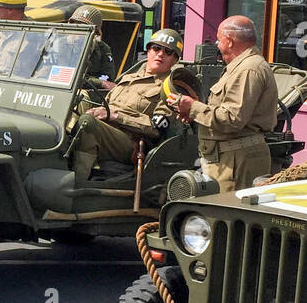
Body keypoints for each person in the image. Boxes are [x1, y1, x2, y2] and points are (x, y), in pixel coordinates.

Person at [166, 15, 279, 193]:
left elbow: (232, 119)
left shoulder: (248, 69)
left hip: (236, 162)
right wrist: (192, 111)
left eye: (219, 40)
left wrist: (193, 107)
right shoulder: (240, 67)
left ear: (230, 41)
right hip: (228, 158)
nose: (217, 45)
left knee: (228, 216)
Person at [71, 28, 182, 181]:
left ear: (175, 60)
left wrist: (115, 116)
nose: (160, 54)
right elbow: (108, 103)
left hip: (130, 141)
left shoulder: (168, 88)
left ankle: (78, 183)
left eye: (168, 52)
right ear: (148, 51)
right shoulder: (128, 77)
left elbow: (156, 128)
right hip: (108, 128)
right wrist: (97, 110)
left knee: (87, 124)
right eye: (156, 48)